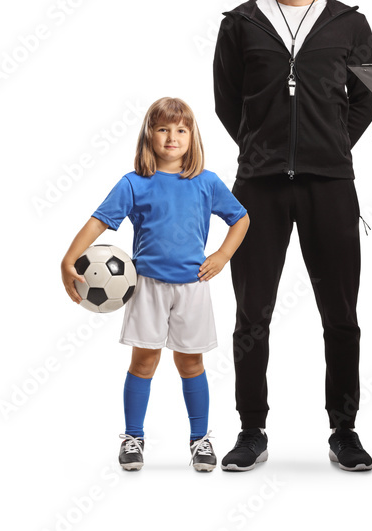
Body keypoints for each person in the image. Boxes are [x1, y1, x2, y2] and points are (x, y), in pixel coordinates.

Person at [212, 0, 372, 471]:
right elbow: (226, 102)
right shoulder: (240, 23)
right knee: (251, 314)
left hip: (329, 185)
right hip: (257, 190)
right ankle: (251, 430)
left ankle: (345, 431)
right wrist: (262, 148)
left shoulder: (349, 24)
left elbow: (365, 99)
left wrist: (329, 146)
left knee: (342, 314)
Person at [60, 97, 250, 472]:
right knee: (144, 361)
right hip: (146, 286)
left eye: (181, 130)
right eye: (163, 129)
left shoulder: (206, 182)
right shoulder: (134, 184)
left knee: (191, 363)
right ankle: (133, 438)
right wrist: (69, 258)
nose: (171, 137)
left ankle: (200, 440)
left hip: (192, 286)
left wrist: (222, 256)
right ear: (149, 135)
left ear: (192, 136)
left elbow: (240, 219)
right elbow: (99, 221)